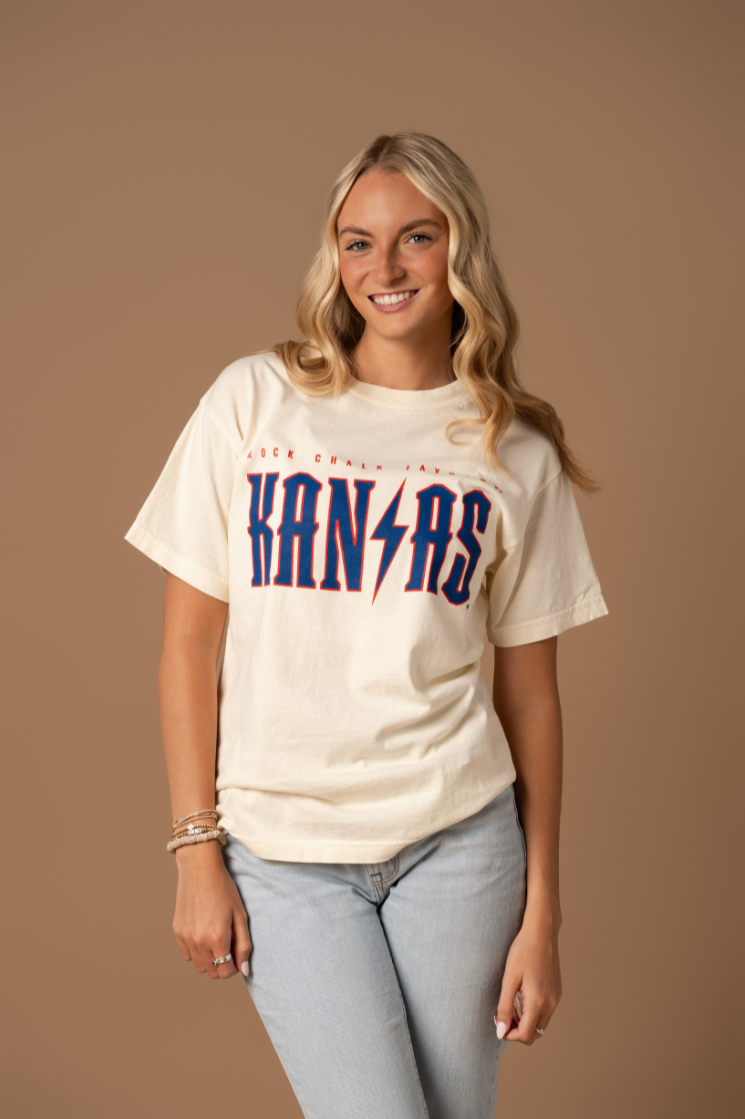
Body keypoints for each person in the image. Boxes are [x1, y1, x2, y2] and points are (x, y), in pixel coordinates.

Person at [125, 132, 608, 1119]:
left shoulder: (511, 447)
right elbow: (187, 647)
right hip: (284, 850)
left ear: (458, 249)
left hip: (460, 845)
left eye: (414, 238)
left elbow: (530, 696)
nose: (383, 269)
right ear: (333, 260)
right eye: (357, 243)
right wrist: (193, 850)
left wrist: (543, 912)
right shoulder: (253, 404)